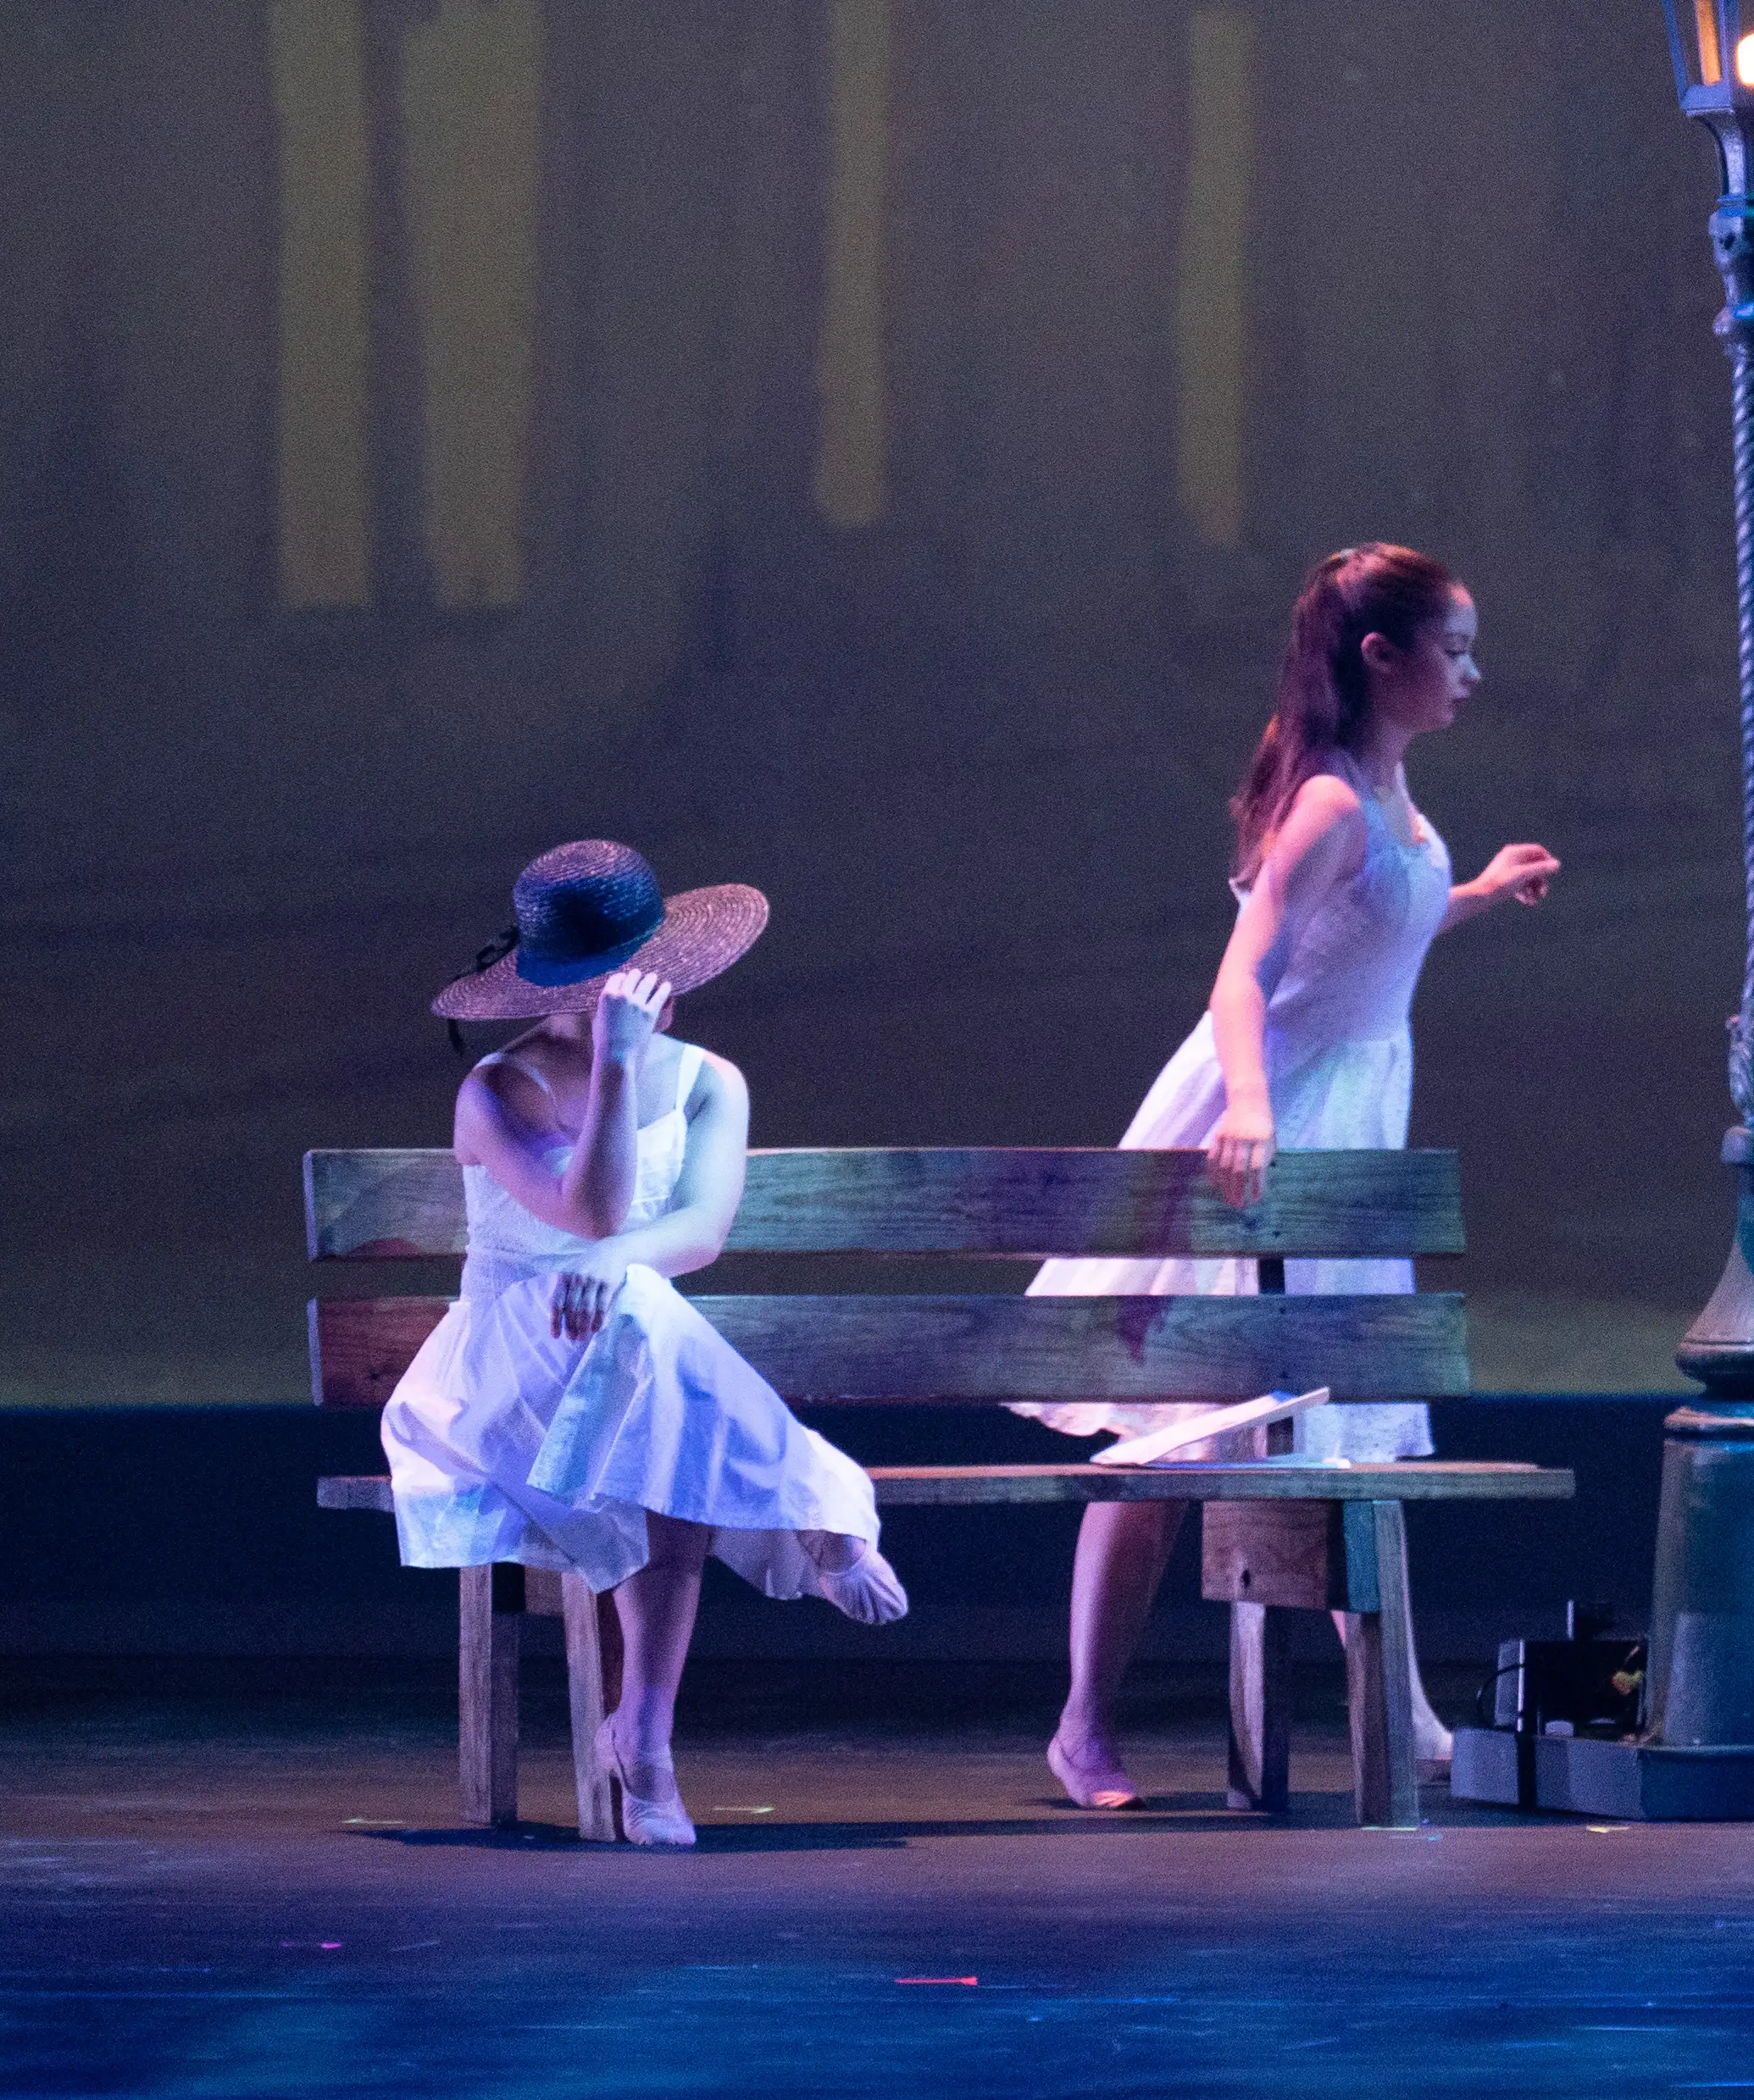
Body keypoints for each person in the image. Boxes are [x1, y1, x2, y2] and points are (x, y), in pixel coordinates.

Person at [1027, 542, 1563, 1810]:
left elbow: (1372, 931)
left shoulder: (1386, 784)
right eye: (1454, 651)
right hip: (1273, 1120)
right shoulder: (1326, 800)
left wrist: (1478, 891)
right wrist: (1253, 1105)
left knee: (1339, 1431)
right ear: (1382, 656)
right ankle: (1083, 1726)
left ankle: (1404, 1706)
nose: (1472, 674)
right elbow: (1246, 973)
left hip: (1350, 1118)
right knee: (1169, 1445)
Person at [385, 841, 908, 1849]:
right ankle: (817, 1501)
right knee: (648, 1345)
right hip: (504, 1374)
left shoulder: (713, 1081)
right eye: (616, 977)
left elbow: (699, 1229)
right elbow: (590, 1210)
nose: (645, 989)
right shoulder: (496, 1090)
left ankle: (646, 1737)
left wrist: (619, 1262)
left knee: (645, 1346)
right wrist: (616, 1063)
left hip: (637, 1356)